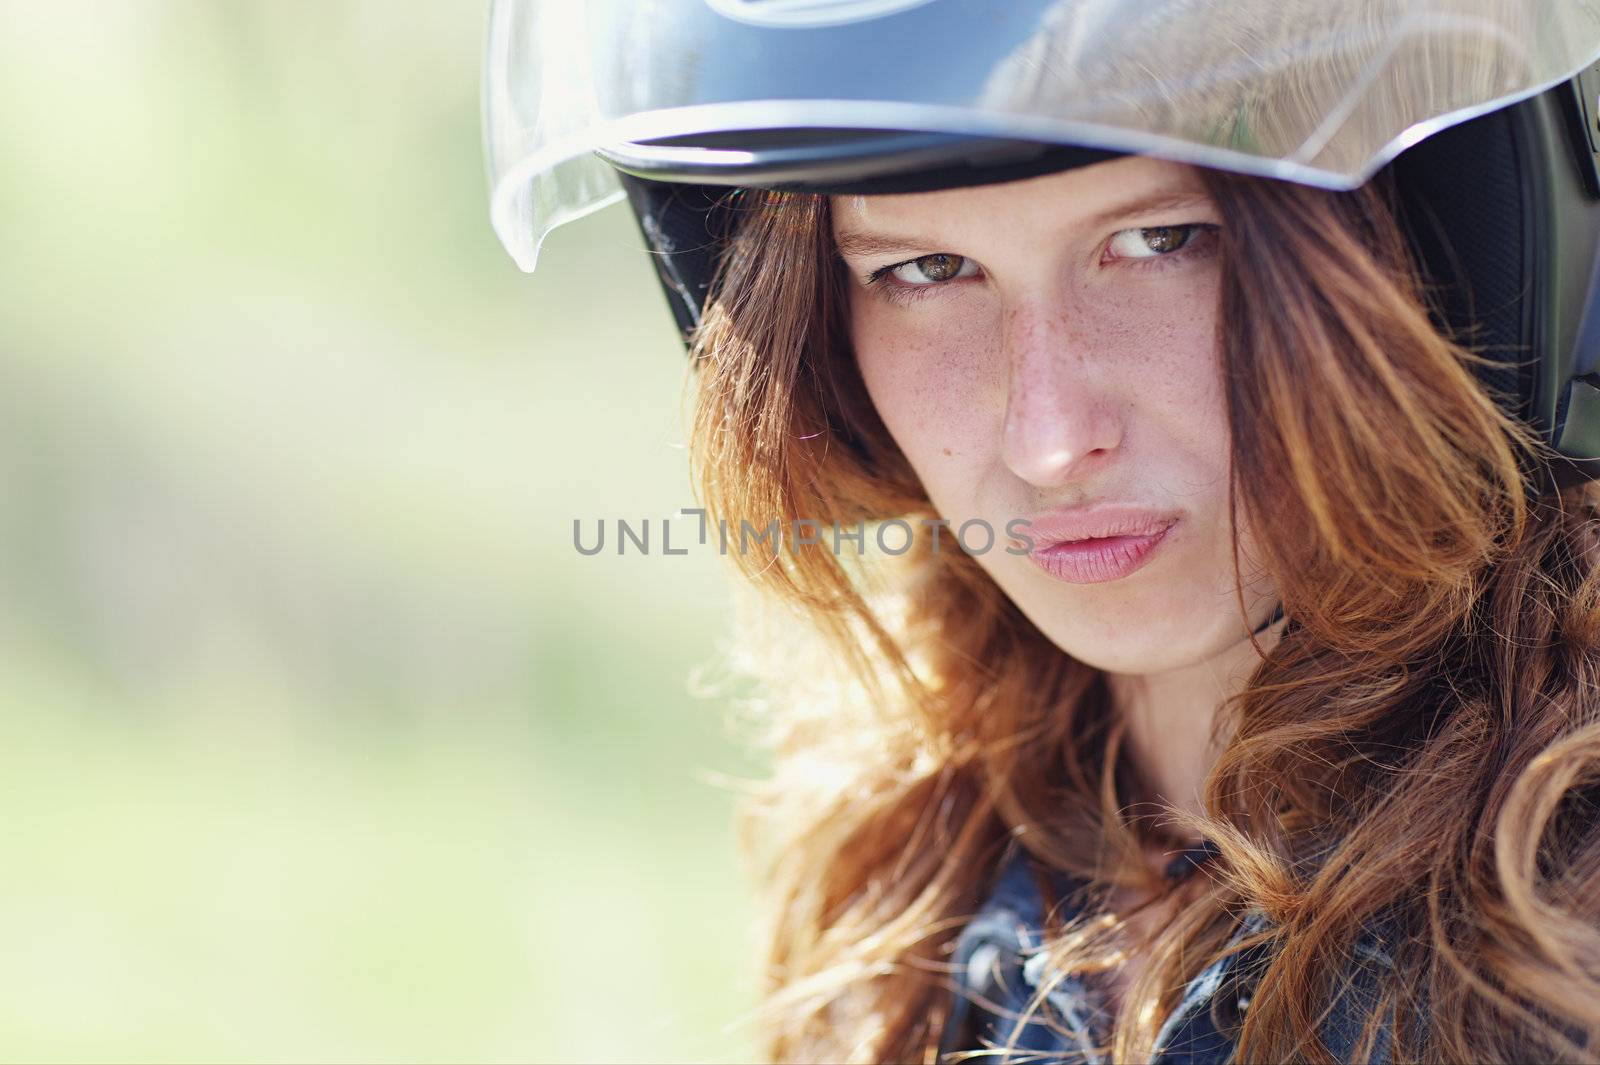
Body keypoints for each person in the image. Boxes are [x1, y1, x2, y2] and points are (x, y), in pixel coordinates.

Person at [485, 2, 1600, 1061]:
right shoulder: (906, 872)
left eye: (1160, 239)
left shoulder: (1566, 930)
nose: (1049, 439)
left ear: (1434, 249)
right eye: (924, 270)